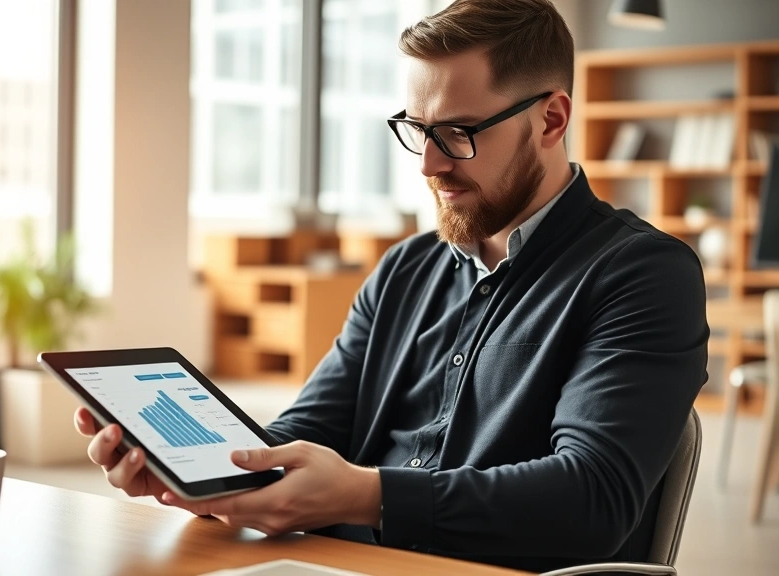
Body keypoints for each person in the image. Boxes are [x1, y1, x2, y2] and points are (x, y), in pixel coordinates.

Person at [74, 0, 709, 572]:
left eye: (458, 133)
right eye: (417, 130)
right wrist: (200, 468)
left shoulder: (644, 275)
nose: (430, 165)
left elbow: (592, 499)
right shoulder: (405, 269)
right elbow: (311, 431)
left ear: (550, 118)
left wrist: (367, 495)